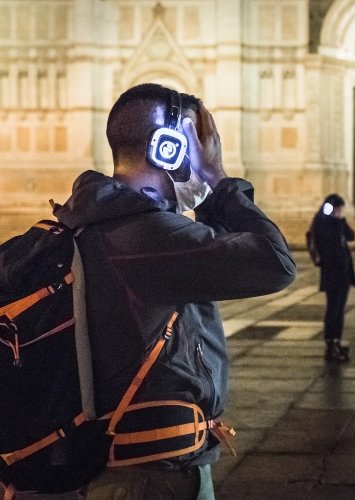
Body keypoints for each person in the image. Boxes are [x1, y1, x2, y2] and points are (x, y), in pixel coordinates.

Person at [52, 83, 296, 499]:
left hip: (125, 469)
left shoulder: (96, 223)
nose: (206, 153)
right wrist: (217, 178)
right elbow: (275, 262)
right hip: (154, 478)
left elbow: (213, 248)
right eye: (197, 142)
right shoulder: (146, 236)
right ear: (168, 147)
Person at [309, 194, 355, 362]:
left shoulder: (338, 224)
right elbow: (325, 244)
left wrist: (342, 221)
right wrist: (337, 222)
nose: (340, 212)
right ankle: (331, 344)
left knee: (339, 310)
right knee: (333, 310)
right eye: (338, 209)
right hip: (332, 274)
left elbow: (352, 236)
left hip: (343, 274)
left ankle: (336, 341)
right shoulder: (323, 225)